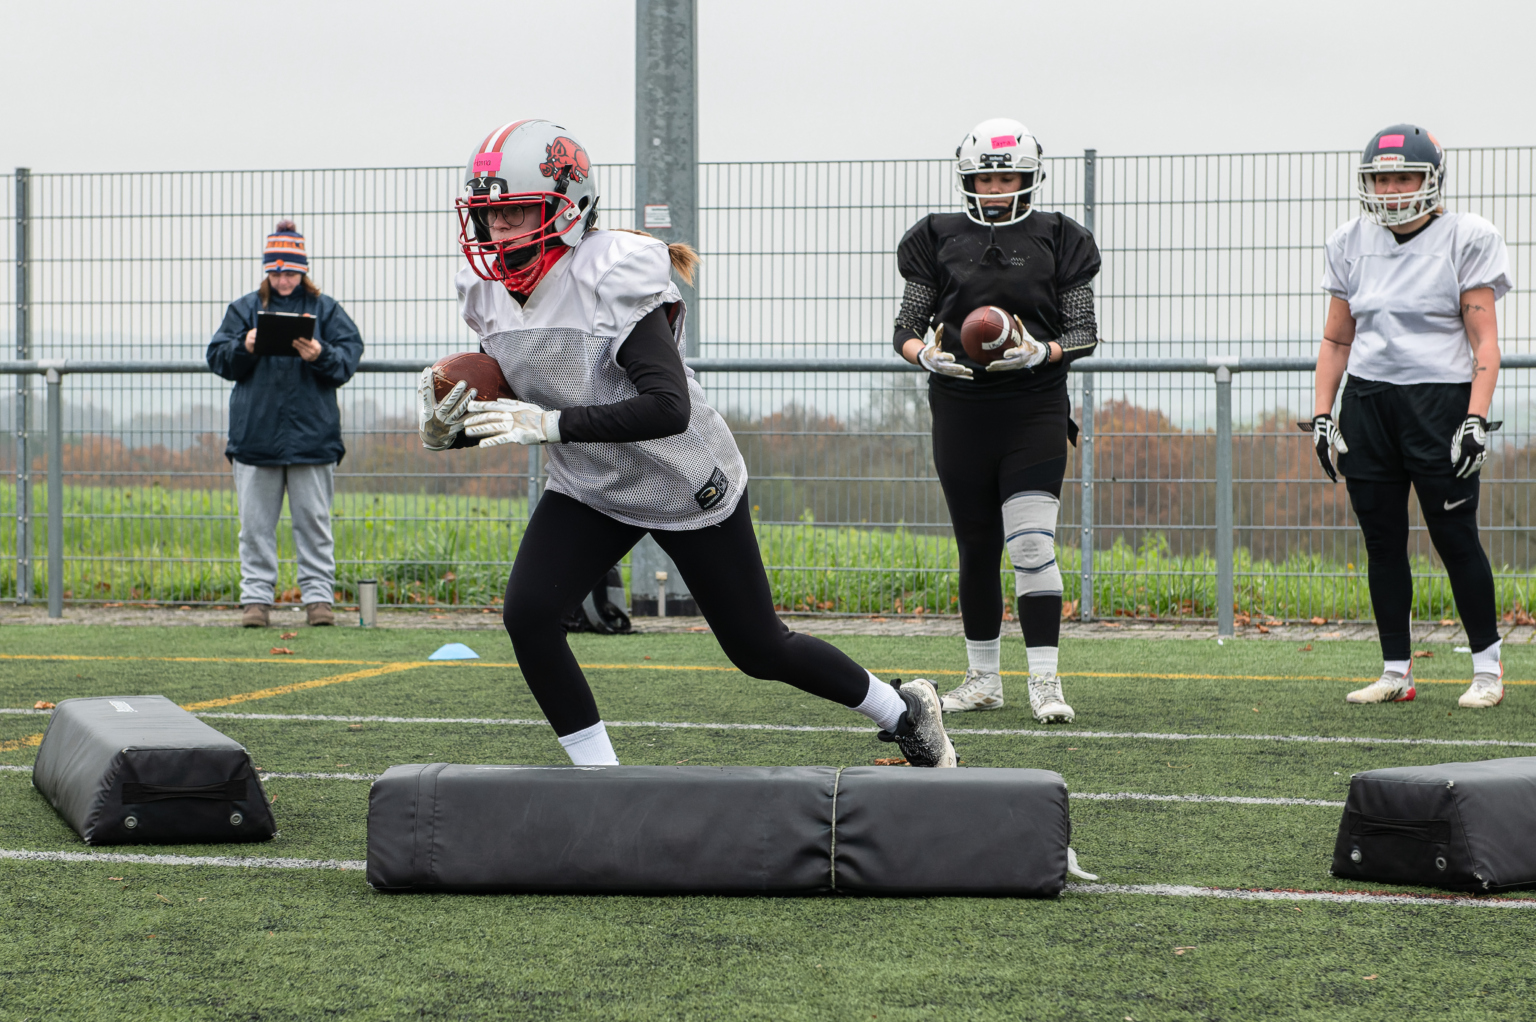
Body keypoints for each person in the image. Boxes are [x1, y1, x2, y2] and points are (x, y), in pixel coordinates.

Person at [418, 118, 955, 768]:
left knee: (759, 649)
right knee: (529, 616)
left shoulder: (611, 274)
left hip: (682, 477)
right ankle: (603, 784)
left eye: (516, 215)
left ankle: (905, 711)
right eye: (490, 219)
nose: (500, 235)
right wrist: (458, 420)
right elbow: (515, 380)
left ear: (567, 207)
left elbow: (666, 408)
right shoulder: (485, 294)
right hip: (590, 482)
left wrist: (549, 425)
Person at [893, 118, 1101, 723]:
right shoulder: (935, 237)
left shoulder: (1061, 236)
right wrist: (925, 355)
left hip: (1034, 406)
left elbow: (1084, 330)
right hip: (958, 407)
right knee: (977, 547)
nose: (995, 188)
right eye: (985, 177)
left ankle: (1045, 681)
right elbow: (905, 327)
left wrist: (1043, 351)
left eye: (1006, 176)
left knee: (1032, 543)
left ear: (1028, 177)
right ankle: (983, 679)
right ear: (968, 178)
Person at [1307, 125, 1512, 709]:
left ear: (1431, 180)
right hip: (1370, 402)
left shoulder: (1466, 236)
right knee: (1382, 539)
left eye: (1404, 176)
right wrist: (1323, 414)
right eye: (1381, 177)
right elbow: (1336, 340)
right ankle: (1397, 669)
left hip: (1439, 401)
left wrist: (1475, 418)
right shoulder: (1350, 240)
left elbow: (1485, 344)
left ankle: (1487, 669)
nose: (1392, 189)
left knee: (1455, 537)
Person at [207, 221, 364, 628]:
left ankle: (318, 600)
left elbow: (349, 357)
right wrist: (245, 345)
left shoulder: (326, 310)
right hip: (254, 438)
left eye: (291, 271)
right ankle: (256, 601)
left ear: (304, 270)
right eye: (276, 272)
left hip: (313, 438)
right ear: (266, 271)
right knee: (255, 527)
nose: (283, 279)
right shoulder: (242, 310)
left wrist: (320, 354)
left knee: (314, 523)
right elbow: (218, 357)